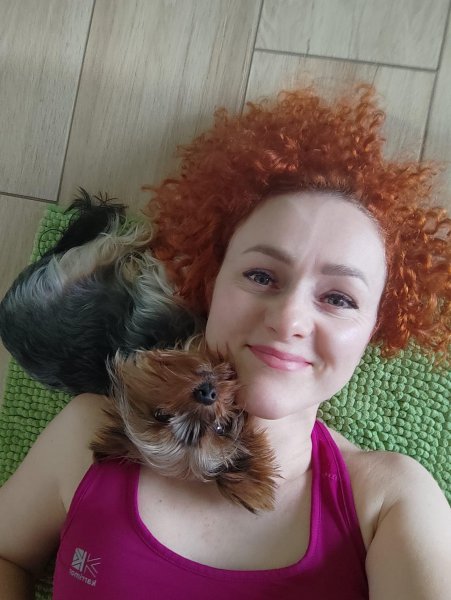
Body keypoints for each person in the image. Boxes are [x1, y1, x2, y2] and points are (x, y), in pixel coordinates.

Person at [0, 84, 450, 599]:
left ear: (373, 328)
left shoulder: (391, 502)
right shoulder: (91, 429)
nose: (289, 319)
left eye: (339, 298)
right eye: (261, 275)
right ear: (212, 285)